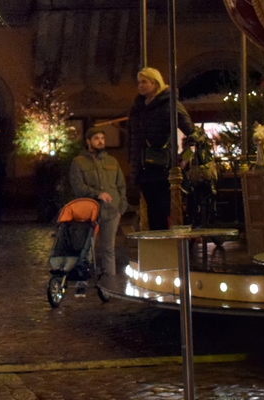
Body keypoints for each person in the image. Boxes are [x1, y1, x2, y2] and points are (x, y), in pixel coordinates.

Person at [128, 67, 193, 231]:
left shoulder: (168, 104)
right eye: (139, 82)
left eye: (144, 82)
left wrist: (183, 157)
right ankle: (158, 247)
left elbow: (191, 132)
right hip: (144, 167)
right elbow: (133, 138)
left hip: (162, 167)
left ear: (154, 83)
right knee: (152, 212)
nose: (140, 86)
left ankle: (168, 247)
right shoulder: (138, 107)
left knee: (165, 210)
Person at [68, 127, 127, 295]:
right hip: (89, 212)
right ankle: (82, 282)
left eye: (102, 138)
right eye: (96, 138)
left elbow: (121, 185)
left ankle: (109, 286)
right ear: (88, 141)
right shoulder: (79, 162)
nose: (101, 141)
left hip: (111, 212)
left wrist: (121, 207)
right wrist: (97, 194)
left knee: (109, 248)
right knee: (87, 248)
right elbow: (78, 186)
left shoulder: (112, 161)